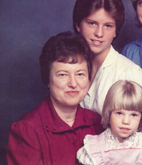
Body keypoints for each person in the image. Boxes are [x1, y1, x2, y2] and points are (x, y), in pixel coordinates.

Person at [6, 32, 104, 165]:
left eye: (80, 74)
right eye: (63, 74)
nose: (73, 83)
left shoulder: (98, 123)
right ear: (47, 79)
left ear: (89, 79)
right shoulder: (28, 130)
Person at [73, 0, 142, 115]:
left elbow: (140, 131)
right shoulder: (68, 65)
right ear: (78, 25)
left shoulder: (130, 73)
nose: (99, 33)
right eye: (92, 23)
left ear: (115, 31)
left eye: (108, 26)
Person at [77, 80, 142, 165]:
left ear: (141, 117)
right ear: (109, 113)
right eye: (119, 113)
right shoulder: (97, 148)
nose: (126, 121)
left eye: (133, 115)